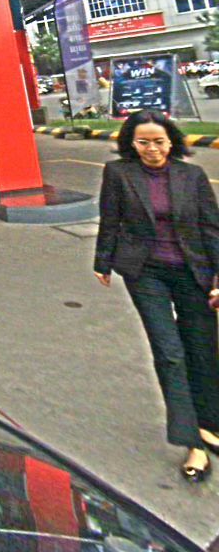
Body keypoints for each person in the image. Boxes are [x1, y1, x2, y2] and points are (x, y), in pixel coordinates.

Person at [93, 109, 219, 483]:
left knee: (202, 349)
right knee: (169, 352)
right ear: (131, 143)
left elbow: (211, 228)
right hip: (145, 272)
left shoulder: (191, 175)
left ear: (171, 141)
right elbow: (110, 219)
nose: (152, 149)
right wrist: (102, 261)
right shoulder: (118, 174)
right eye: (143, 142)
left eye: (159, 141)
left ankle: (208, 424)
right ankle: (192, 442)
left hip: (193, 271)